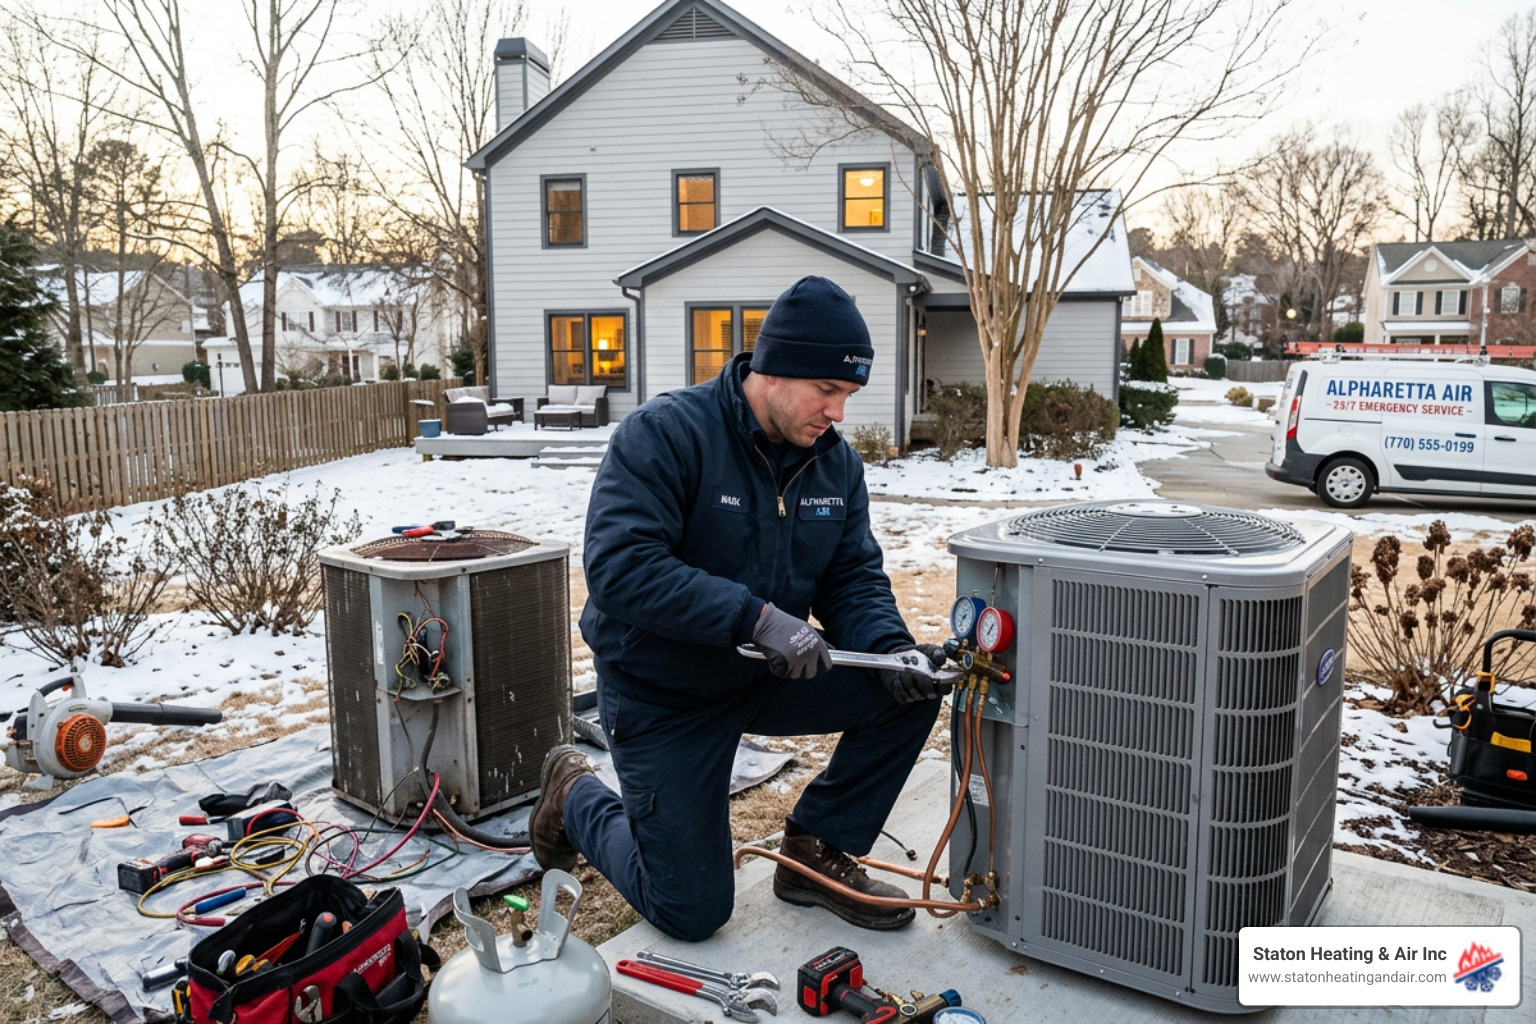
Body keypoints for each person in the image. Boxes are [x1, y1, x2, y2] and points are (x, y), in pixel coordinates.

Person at [529, 275, 947, 942]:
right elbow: (620, 568)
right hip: (664, 696)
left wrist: (890, 648)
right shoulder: (665, 435)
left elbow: (853, 580)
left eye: (848, 396)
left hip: (764, 678)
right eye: (828, 391)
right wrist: (752, 617)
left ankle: (814, 855)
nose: (838, 413)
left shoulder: (834, 467)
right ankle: (573, 795)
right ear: (777, 369)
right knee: (692, 911)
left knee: (910, 690)